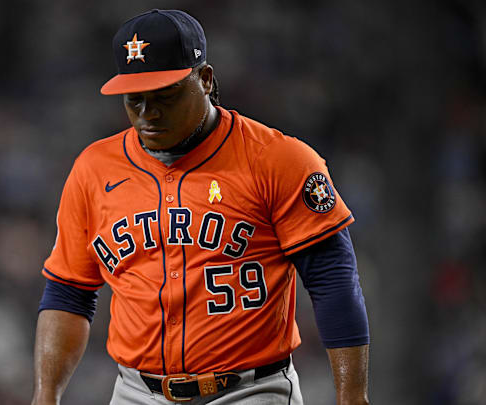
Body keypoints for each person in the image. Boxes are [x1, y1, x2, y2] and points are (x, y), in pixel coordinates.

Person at [32, 9, 369, 405]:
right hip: (135, 392)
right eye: (135, 100)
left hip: (251, 390)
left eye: (166, 95)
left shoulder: (277, 159)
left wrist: (352, 397)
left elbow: (332, 280)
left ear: (205, 79)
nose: (148, 114)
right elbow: (68, 292)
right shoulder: (94, 168)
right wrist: (45, 396)